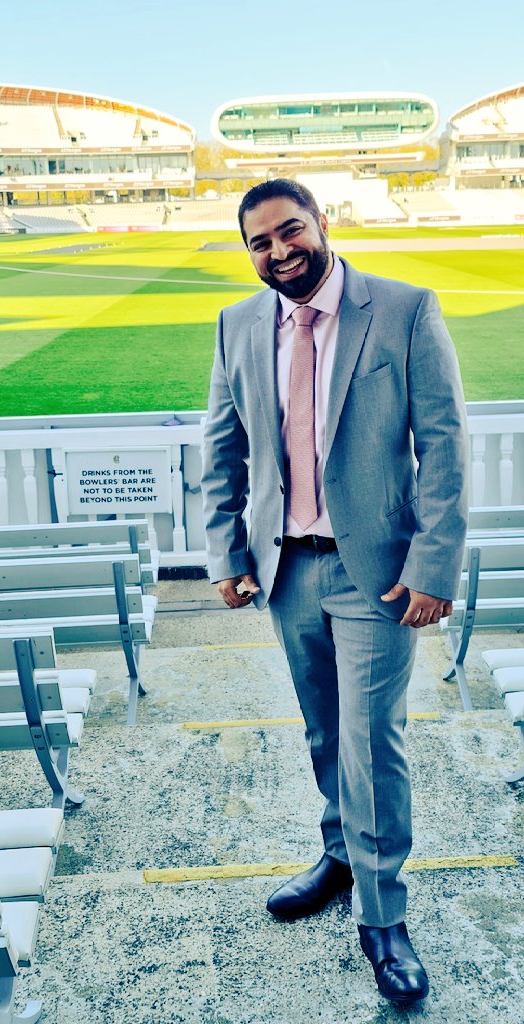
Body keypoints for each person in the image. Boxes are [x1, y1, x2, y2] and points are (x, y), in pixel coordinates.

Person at [200, 179, 469, 1005]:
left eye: (290, 231)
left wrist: (431, 568)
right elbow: (222, 447)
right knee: (323, 730)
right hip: (285, 568)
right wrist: (225, 550)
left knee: (369, 739)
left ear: (322, 225)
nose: (278, 251)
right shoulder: (238, 325)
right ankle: (342, 853)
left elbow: (445, 446)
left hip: (377, 576)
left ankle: (382, 917)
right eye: (259, 242)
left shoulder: (403, 309)